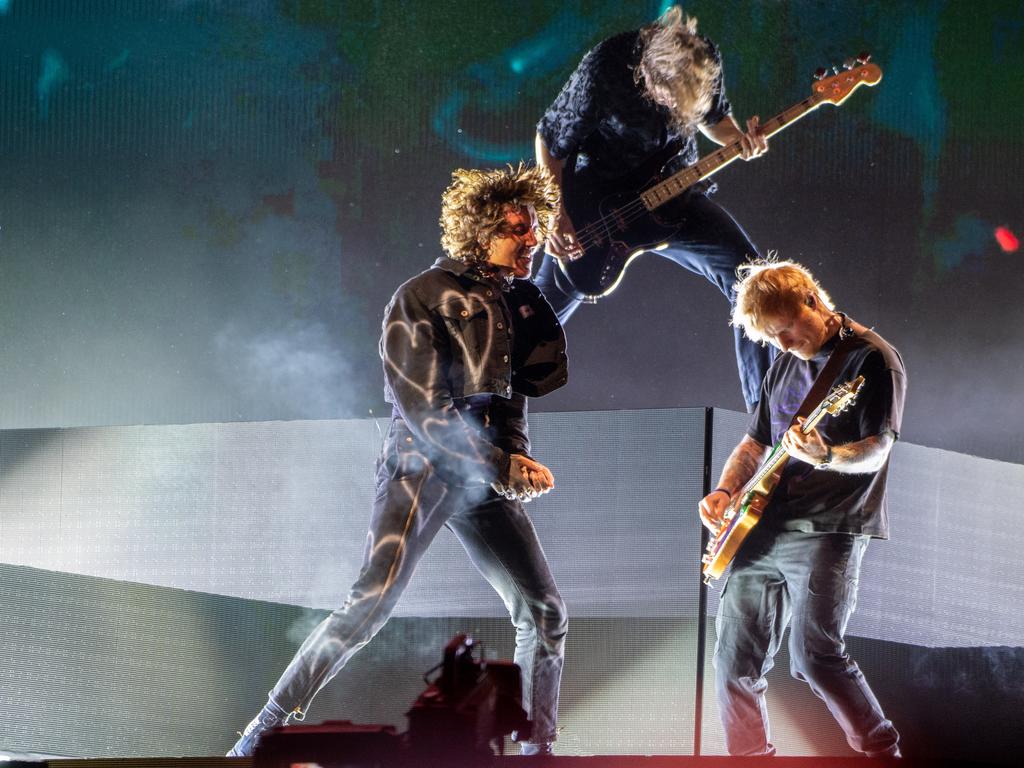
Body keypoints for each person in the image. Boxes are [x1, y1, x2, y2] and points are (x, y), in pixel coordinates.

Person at [228, 164, 569, 757]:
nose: (532, 240)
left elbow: (510, 399)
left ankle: (537, 748)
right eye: (520, 228)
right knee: (370, 605)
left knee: (544, 610)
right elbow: (425, 411)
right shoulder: (421, 296)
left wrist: (518, 461)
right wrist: (502, 464)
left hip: (483, 474)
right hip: (423, 466)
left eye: (534, 227)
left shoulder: (516, 304)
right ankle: (265, 730)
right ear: (483, 229)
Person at [698, 259, 905, 757]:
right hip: (761, 526)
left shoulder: (871, 359)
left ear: (810, 300)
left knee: (815, 658)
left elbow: (878, 448)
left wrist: (828, 454)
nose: (783, 345)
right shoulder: (783, 364)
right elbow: (754, 443)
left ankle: (883, 754)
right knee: (732, 663)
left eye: (785, 330)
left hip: (830, 526)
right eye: (771, 338)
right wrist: (726, 492)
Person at [534, 5, 772, 411]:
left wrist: (741, 141)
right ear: (647, 76)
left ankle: (765, 420)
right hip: (598, 206)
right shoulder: (604, 68)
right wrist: (555, 214)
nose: (677, 111)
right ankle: (484, 401)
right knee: (536, 316)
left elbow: (716, 122)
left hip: (673, 194)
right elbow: (549, 141)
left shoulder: (704, 59)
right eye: (670, 101)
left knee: (751, 277)